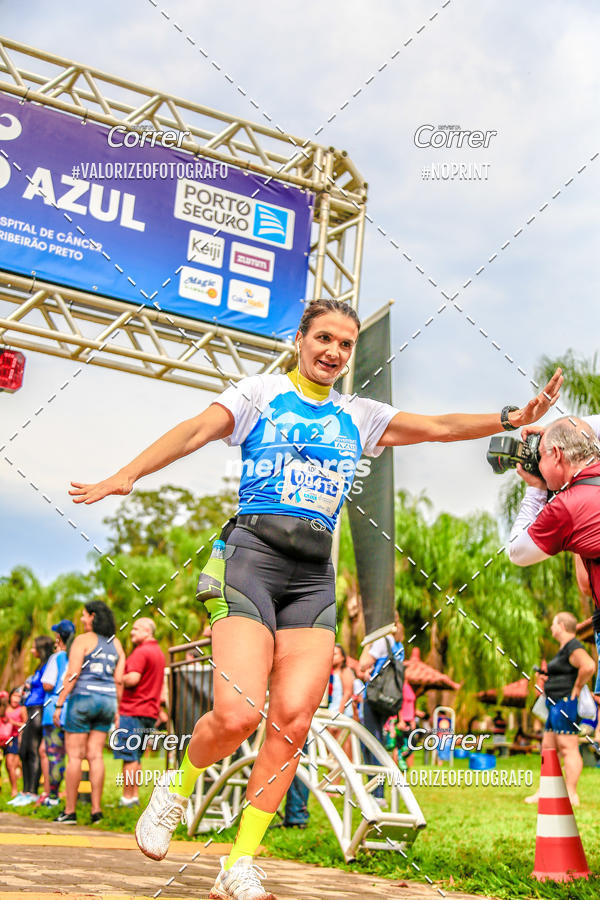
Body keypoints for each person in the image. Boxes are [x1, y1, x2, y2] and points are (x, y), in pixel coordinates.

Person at [69, 297, 562, 900]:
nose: (333, 352)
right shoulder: (259, 395)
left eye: (346, 344)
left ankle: (240, 863)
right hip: (251, 561)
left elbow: (439, 428)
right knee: (237, 714)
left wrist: (512, 416)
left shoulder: (361, 416)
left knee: (294, 721)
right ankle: (176, 786)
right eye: (323, 338)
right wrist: (129, 473)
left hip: (313, 578)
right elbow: (197, 428)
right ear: (301, 340)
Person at [508, 415, 600, 692]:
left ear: (557, 455)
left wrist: (536, 490)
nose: (538, 466)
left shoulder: (568, 507)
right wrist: (555, 429)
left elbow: (517, 551)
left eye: (540, 457)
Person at [52, 601, 125, 825]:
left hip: (82, 699)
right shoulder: (117, 644)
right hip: (107, 701)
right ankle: (96, 811)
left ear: (92, 616)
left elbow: (73, 674)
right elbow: (119, 679)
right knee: (95, 756)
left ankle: (70, 812)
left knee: (74, 756)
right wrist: (117, 710)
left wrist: (59, 703)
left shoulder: (82, 641)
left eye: (84, 616)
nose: (82, 620)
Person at [523, 612, 595, 806]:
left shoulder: (573, 645)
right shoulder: (564, 649)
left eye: (553, 624)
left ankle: (571, 794)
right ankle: (544, 791)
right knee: (548, 748)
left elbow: (588, 666)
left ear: (562, 626)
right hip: (554, 703)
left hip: (566, 704)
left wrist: (577, 688)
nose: (551, 628)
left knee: (568, 747)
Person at [113, 618, 165, 807]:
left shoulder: (141, 652)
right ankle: (133, 797)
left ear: (146, 631)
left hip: (133, 709)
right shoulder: (158, 653)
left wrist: (118, 677)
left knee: (128, 756)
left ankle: (127, 799)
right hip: (149, 713)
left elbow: (133, 678)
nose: (132, 632)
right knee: (136, 757)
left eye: (135, 629)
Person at [359, 610, 405, 799]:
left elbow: (363, 664)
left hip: (374, 696)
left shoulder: (380, 641)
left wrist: (367, 641)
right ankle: (378, 791)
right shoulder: (398, 644)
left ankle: (376, 793)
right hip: (388, 698)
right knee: (378, 740)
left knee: (371, 743)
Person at [40, 620, 74, 807]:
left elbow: (48, 684)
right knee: (74, 756)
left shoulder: (57, 658)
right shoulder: (78, 656)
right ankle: (72, 799)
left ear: (59, 637)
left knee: (55, 755)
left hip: (54, 710)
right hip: (73, 710)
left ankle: (52, 796)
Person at [18, 635, 54, 805]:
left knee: (33, 751)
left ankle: (32, 791)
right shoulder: (40, 666)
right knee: (24, 751)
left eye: (34, 647)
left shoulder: (48, 666)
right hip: (31, 708)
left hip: (38, 709)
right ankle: (25, 791)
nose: (32, 650)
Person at [4, 688, 26, 802]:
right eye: (14, 696)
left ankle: (14, 789)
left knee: (10, 763)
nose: (16, 699)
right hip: (3, 738)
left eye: (18, 696)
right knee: (8, 767)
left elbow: (26, 724)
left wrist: (14, 723)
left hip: (15, 738)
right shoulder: (4, 708)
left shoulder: (21, 709)